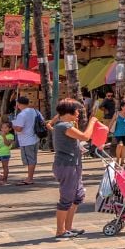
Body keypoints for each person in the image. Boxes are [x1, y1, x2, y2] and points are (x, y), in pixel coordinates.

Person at [50, 99, 96, 239]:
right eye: (76, 111)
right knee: (66, 198)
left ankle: (67, 228)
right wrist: (92, 122)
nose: (78, 114)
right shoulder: (63, 126)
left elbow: (74, 143)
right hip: (67, 165)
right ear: (68, 112)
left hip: (73, 165)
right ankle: (60, 231)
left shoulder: (65, 125)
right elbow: (86, 136)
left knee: (77, 196)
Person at [11, 96, 41, 185]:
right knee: (33, 159)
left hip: (26, 140)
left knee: (30, 160)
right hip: (35, 138)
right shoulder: (35, 111)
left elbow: (19, 129)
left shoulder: (22, 114)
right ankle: (30, 177)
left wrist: (12, 125)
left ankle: (30, 178)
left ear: (19, 104)